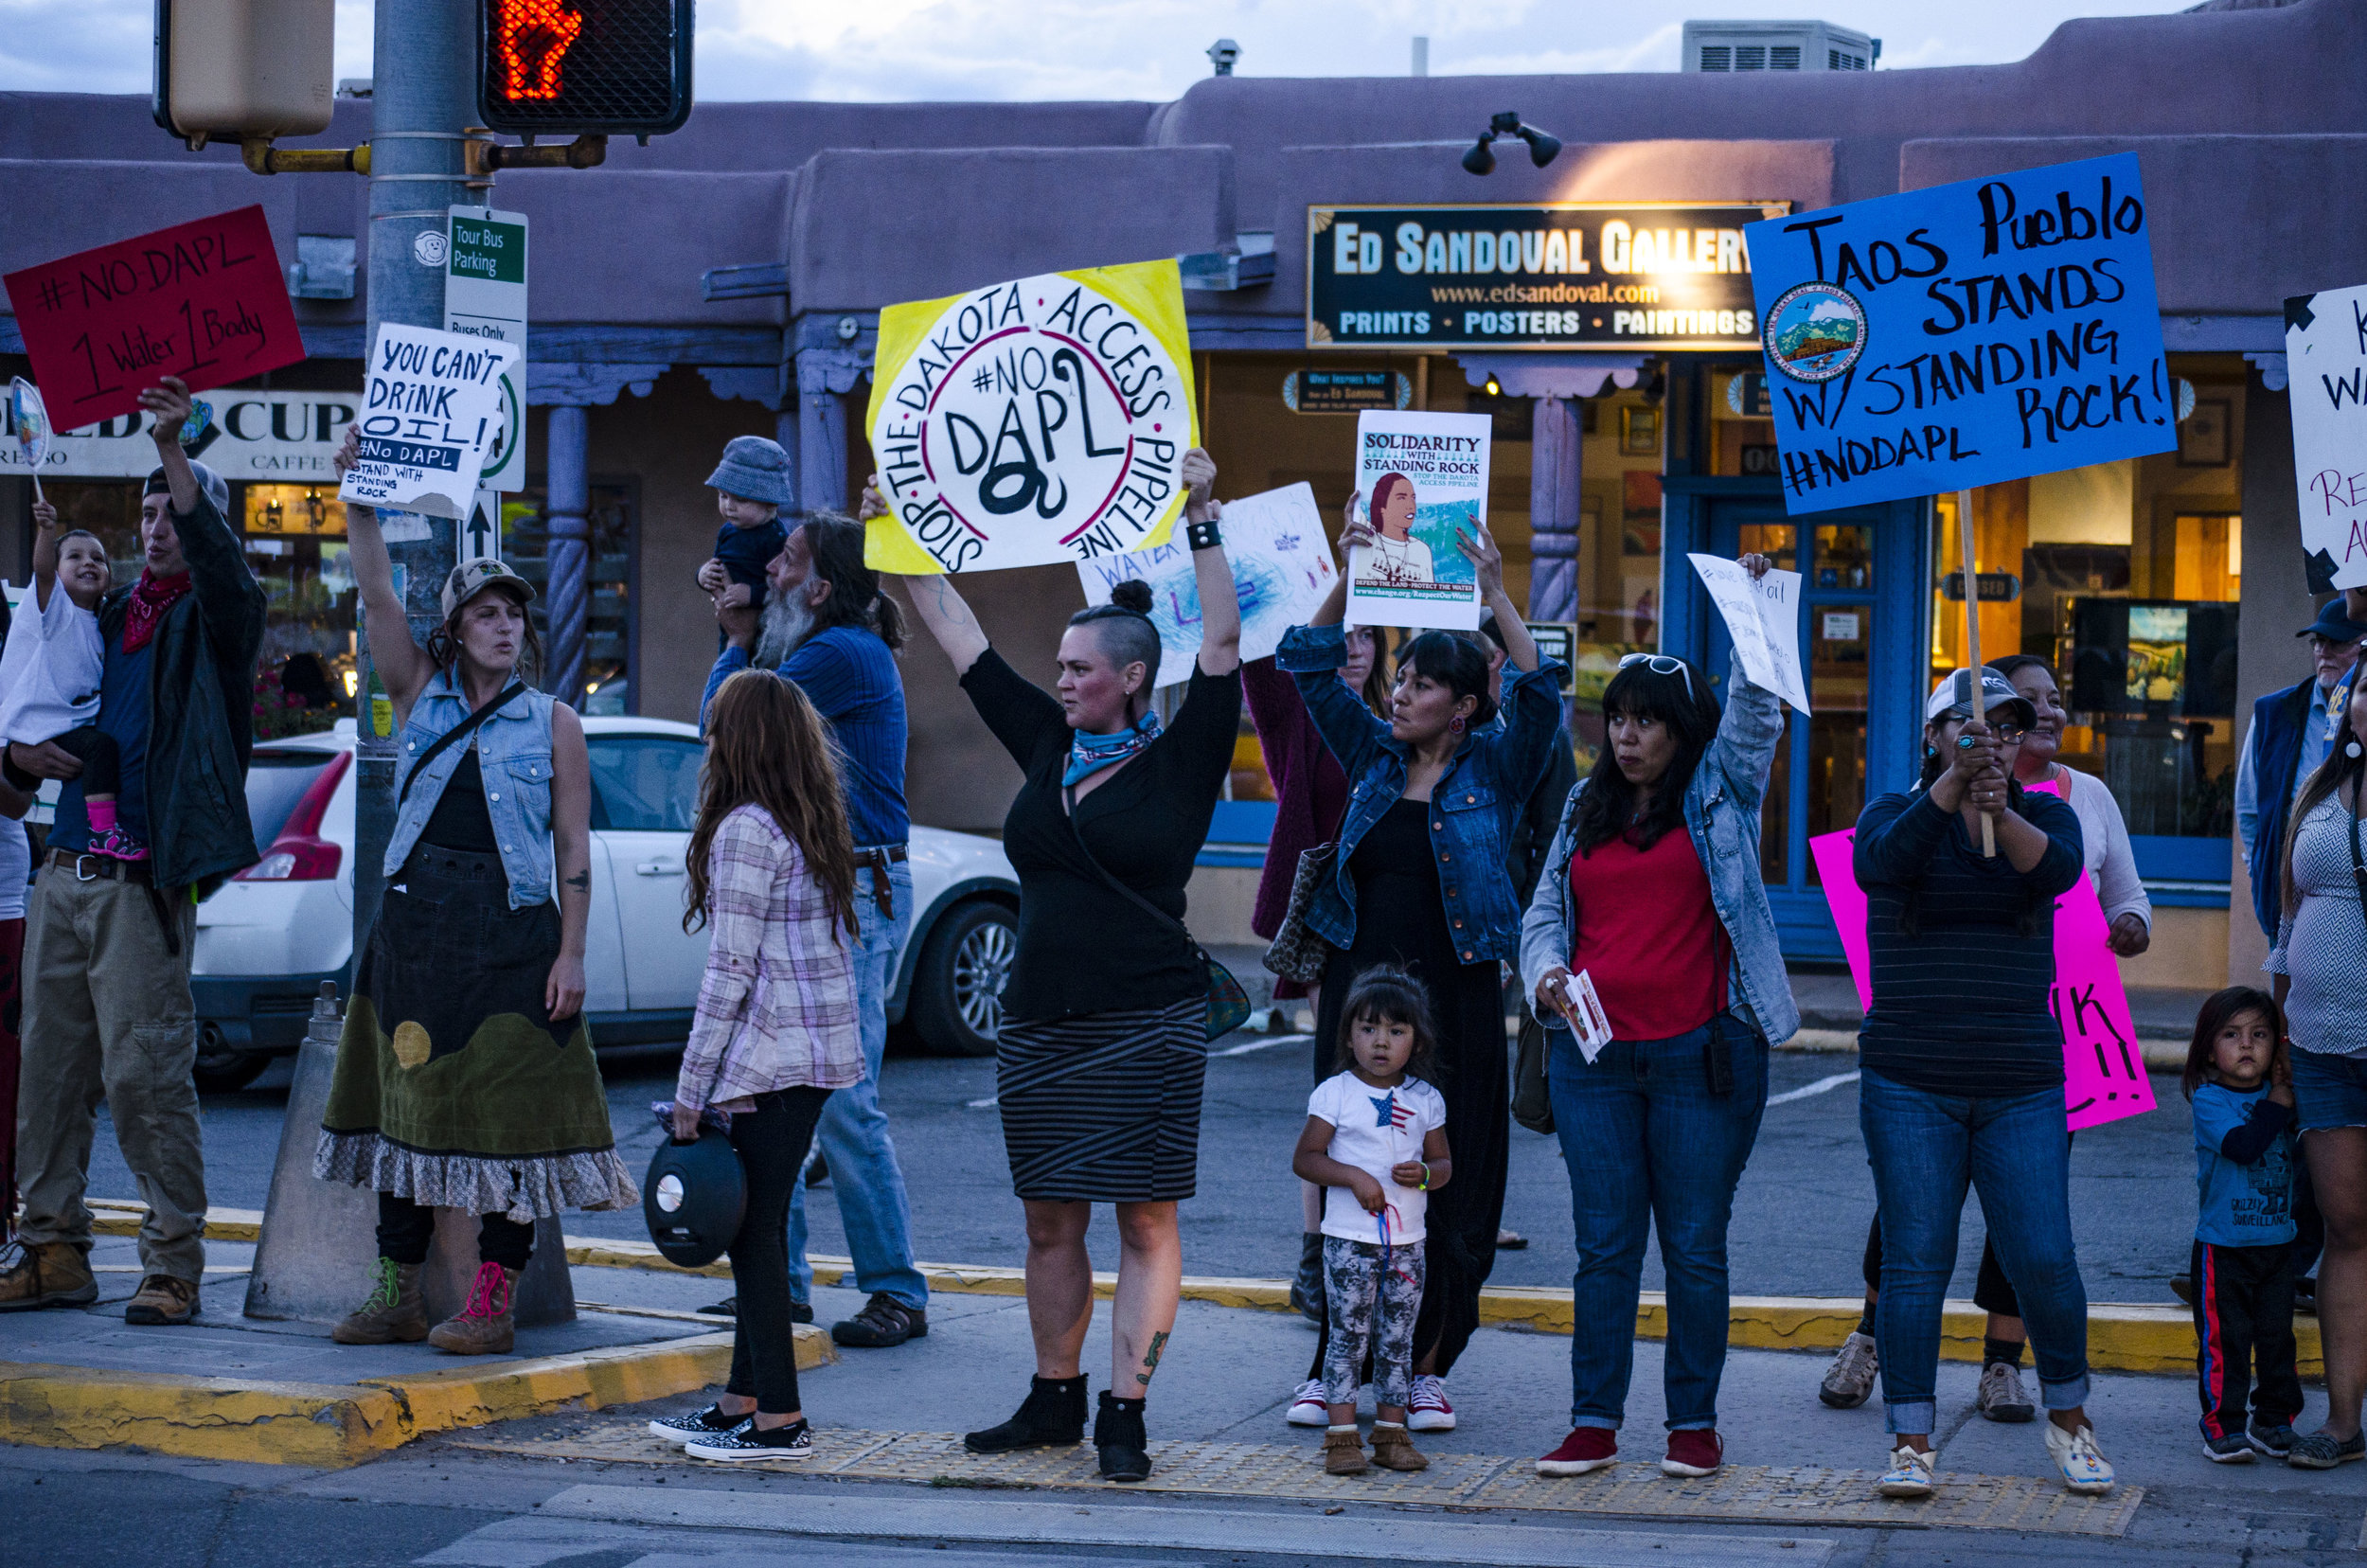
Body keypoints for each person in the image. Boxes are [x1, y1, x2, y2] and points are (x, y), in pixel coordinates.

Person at [892, 451, 1240, 1483]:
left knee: (1144, 1217)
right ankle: (1055, 1400)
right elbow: (960, 637)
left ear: (1132, 676)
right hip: (1039, 1021)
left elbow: (1221, 637)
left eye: (1079, 667)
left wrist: (1204, 514)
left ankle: (1126, 1411)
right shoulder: (1047, 743)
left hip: (1149, 1021)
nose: (1061, 679)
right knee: (1048, 1219)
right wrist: (899, 535)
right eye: (1059, 665)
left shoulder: (1184, 753)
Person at [314, 425, 634, 1357]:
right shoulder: (419, 695)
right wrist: (356, 497)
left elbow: (573, 844)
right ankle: (395, 1293)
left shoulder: (557, 722)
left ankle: (490, 1300)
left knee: (515, 1129)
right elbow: (376, 590)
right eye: (489, 614)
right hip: (413, 936)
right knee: (400, 1119)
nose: (509, 627)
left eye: (517, 615)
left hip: (513, 943)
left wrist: (572, 953)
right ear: (455, 631)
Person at [1274, 505, 1562, 1436]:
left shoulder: (1499, 768)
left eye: (1419, 684)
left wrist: (1496, 596)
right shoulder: (1370, 755)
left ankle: (1426, 1366)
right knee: (1350, 1175)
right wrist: (1345, 572)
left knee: (1452, 1183)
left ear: (1464, 704)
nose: (1397, 695)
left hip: (1460, 999)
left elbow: (1542, 695)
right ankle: (1334, 1364)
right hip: (1359, 1001)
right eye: (1396, 681)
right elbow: (1307, 667)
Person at [1519, 554, 1796, 1482]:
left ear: (1684, 734)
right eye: (1619, 719)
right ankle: (1592, 1423)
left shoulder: (1721, 793)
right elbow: (1543, 914)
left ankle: (1692, 1426)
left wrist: (1751, 609)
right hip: (1591, 1064)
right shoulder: (1584, 807)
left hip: (1700, 1059)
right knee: (1604, 1249)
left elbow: (1758, 708)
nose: (1628, 735)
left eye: (1647, 722)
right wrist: (1549, 972)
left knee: (1693, 1247)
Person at [1821, 653, 2155, 1421]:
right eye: (1977, 727)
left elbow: (2062, 872)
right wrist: (1952, 787)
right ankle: (1911, 1435)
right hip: (1911, 1078)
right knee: (1915, 1257)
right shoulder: (1890, 812)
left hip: (2023, 1078)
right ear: (1936, 736)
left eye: (2011, 728)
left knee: (2042, 1255)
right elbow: (1880, 863)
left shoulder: (2049, 814)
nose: (1997, 739)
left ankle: (2065, 1411)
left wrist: (1999, 808)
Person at [0, 377, 265, 1326]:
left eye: (173, 510)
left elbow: (221, 567)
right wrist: (14, 759)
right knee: (50, 1076)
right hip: (62, 873)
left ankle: (173, 1263)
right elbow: (42, 704)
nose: (155, 524)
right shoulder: (111, 619)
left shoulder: (220, 620)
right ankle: (53, 1249)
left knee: (144, 1076)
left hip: (139, 882)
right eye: (147, 511)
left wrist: (170, 447)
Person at [702, 508, 928, 1350]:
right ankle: (782, 1288)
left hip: (854, 890)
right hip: (830, 885)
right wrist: (739, 629)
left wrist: (735, 639)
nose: (771, 573)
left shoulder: (837, 653)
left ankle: (897, 1290)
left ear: (821, 586)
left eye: (786, 562)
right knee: (773, 1091)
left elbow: (722, 728)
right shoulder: (809, 650)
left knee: (840, 1101)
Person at [648, 669, 864, 1461]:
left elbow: (729, 972)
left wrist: (688, 1092)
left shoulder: (745, 828)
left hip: (772, 1058)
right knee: (757, 1228)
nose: (706, 744)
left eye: (713, 730)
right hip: (812, 1055)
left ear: (737, 742)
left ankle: (780, 1419)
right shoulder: (806, 822)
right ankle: (741, 1402)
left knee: (756, 1237)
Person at [1242, 623, 1390, 1323]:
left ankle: (1391, 1246)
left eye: (1367, 636)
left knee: (1396, 1101)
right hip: (1328, 933)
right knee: (1336, 1095)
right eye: (1344, 636)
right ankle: (1316, 1259)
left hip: (1390, 926)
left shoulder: (1399, 718)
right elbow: (1266, 672)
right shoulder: (1299, 719)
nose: (1354, 647)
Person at [1290, 965, 1451, 1477]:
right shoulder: (1335, 1093)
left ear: (1417, 1042)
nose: (1381, 1042)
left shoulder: (1426, 1100)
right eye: (1368, 1029)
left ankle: (1389, 1433)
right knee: (1347, 1338)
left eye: (1396, 1031)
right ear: (1349, 1035)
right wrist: (1354, 1177)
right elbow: (1307, 1159)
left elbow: (1444, 1166)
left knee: (1396, 1341)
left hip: (1407, 1245)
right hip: (1348, 1244)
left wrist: (1425, 1173)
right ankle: (1341, 1438)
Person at [2268, 671, 2367, 1469]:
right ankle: (2342, 1423)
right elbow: (2288, 915)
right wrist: (2276, 1039)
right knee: (2347, 1228)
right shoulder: (2320, 790)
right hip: (2321, 1044)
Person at [2180, 987, 2303, 1464]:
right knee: (2225, 1342)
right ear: (2210, 1048)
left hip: (2277, 1242)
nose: (2247, 1045)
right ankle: (2222, 1426)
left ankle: (2273, 1421)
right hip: (2223, 1247)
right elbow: (2244, 1147)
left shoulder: (2285, 1098)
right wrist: (2280, 1097)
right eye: (2231, 1035)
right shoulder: (2210, 1102)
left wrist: (2288, 1091)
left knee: (2277, 1340)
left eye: (2259, 1034)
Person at [0, 502, 125, 856]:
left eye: (99, 559)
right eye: (75, 556)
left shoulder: (103, 622)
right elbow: (42, 571)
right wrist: (47, 530)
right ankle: (104, 832)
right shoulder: (55, 609)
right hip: (39, 730)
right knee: (101, 749)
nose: (89, 562)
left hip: (62, 736)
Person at [2236, 602, 2363, 941]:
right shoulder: (2274, 712)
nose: (2324, 652)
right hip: (2288, 889)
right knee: (2288, 988)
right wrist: (2262, 872)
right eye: (2318, 642)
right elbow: (2249, 809)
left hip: (2353, 886)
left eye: (2337, 643)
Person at [695, 436, 792, 629]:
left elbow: (787, 589)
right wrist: (702, 576)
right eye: (723, 496)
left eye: (741, 500)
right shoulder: (727, 532)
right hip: (729, 622)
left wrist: (752, 595)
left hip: (766, 630)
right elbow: (717, 568)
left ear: (770, 502)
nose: (729, 506)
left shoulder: (776, 538)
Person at [1361, 473, 1435, 587]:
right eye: (1401, 498)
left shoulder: (1422, 550)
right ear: (1382, 506)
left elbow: (1430, 599)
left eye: (1413, 498)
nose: (1411, 505)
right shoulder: (1367, 540)